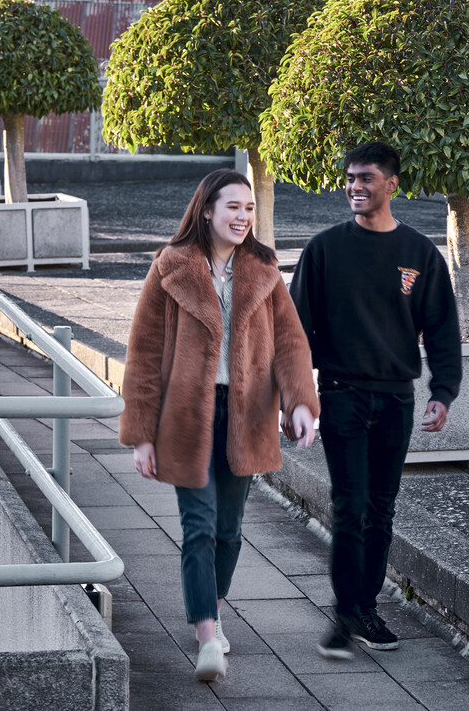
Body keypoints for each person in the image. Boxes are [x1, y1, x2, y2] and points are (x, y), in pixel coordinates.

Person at [119, 169, 319, 681]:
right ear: (206, 209)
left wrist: (299, 403)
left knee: (229, 531)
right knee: (200, 526)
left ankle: (216, 606)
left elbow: (292, 343)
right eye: (233, 207)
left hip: (247, 415)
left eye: (249, 208)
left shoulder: (263, 269)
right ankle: (207, 635)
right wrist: (141, 433)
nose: (243, 216)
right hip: (187, 417)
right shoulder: (171, 267)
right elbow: (142, 354)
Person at [288, 140, 462, 659]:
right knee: (350, 507)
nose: (354, 187)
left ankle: (364, 609)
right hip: (342, 394)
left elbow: (442, 330)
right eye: (349, 178)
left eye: (366, 178)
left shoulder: (419, 254)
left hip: (397, 400)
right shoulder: (324, 249)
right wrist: (294, 396)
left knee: (382, 510)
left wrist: (443, 392)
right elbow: (295, 331)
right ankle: (346, 615)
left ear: (393, 185)